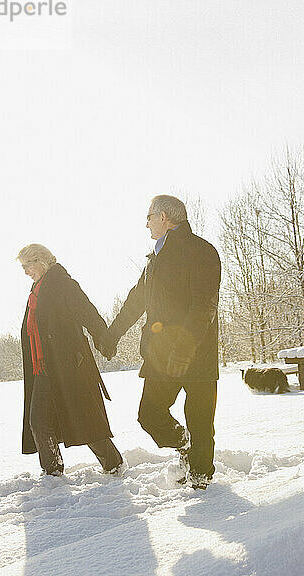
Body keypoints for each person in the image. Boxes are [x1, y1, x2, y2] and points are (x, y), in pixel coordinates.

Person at [101, 195, 221, 490]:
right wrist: (112, 334)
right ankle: (186, 447)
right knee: (150, 415)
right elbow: (135, 301)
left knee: (200, 423)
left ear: (164, 218)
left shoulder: (201, 252)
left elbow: (203, 306)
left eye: (149, 217)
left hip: (197, 356)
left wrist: (184, 349)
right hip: (161, 356)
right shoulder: (155, 260)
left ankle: (201, 483)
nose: (146, 224)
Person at [17, 243, 123, 477]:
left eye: (28, 265)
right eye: (23, 267)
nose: (25, 271)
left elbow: (88, 313)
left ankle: (113, 464)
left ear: (41, 261)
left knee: (83, 417)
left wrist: (104, 340)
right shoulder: (36, 291)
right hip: (43, 368)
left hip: (67, 365)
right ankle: (52, 472)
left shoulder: (62, 284)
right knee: (38, 421)